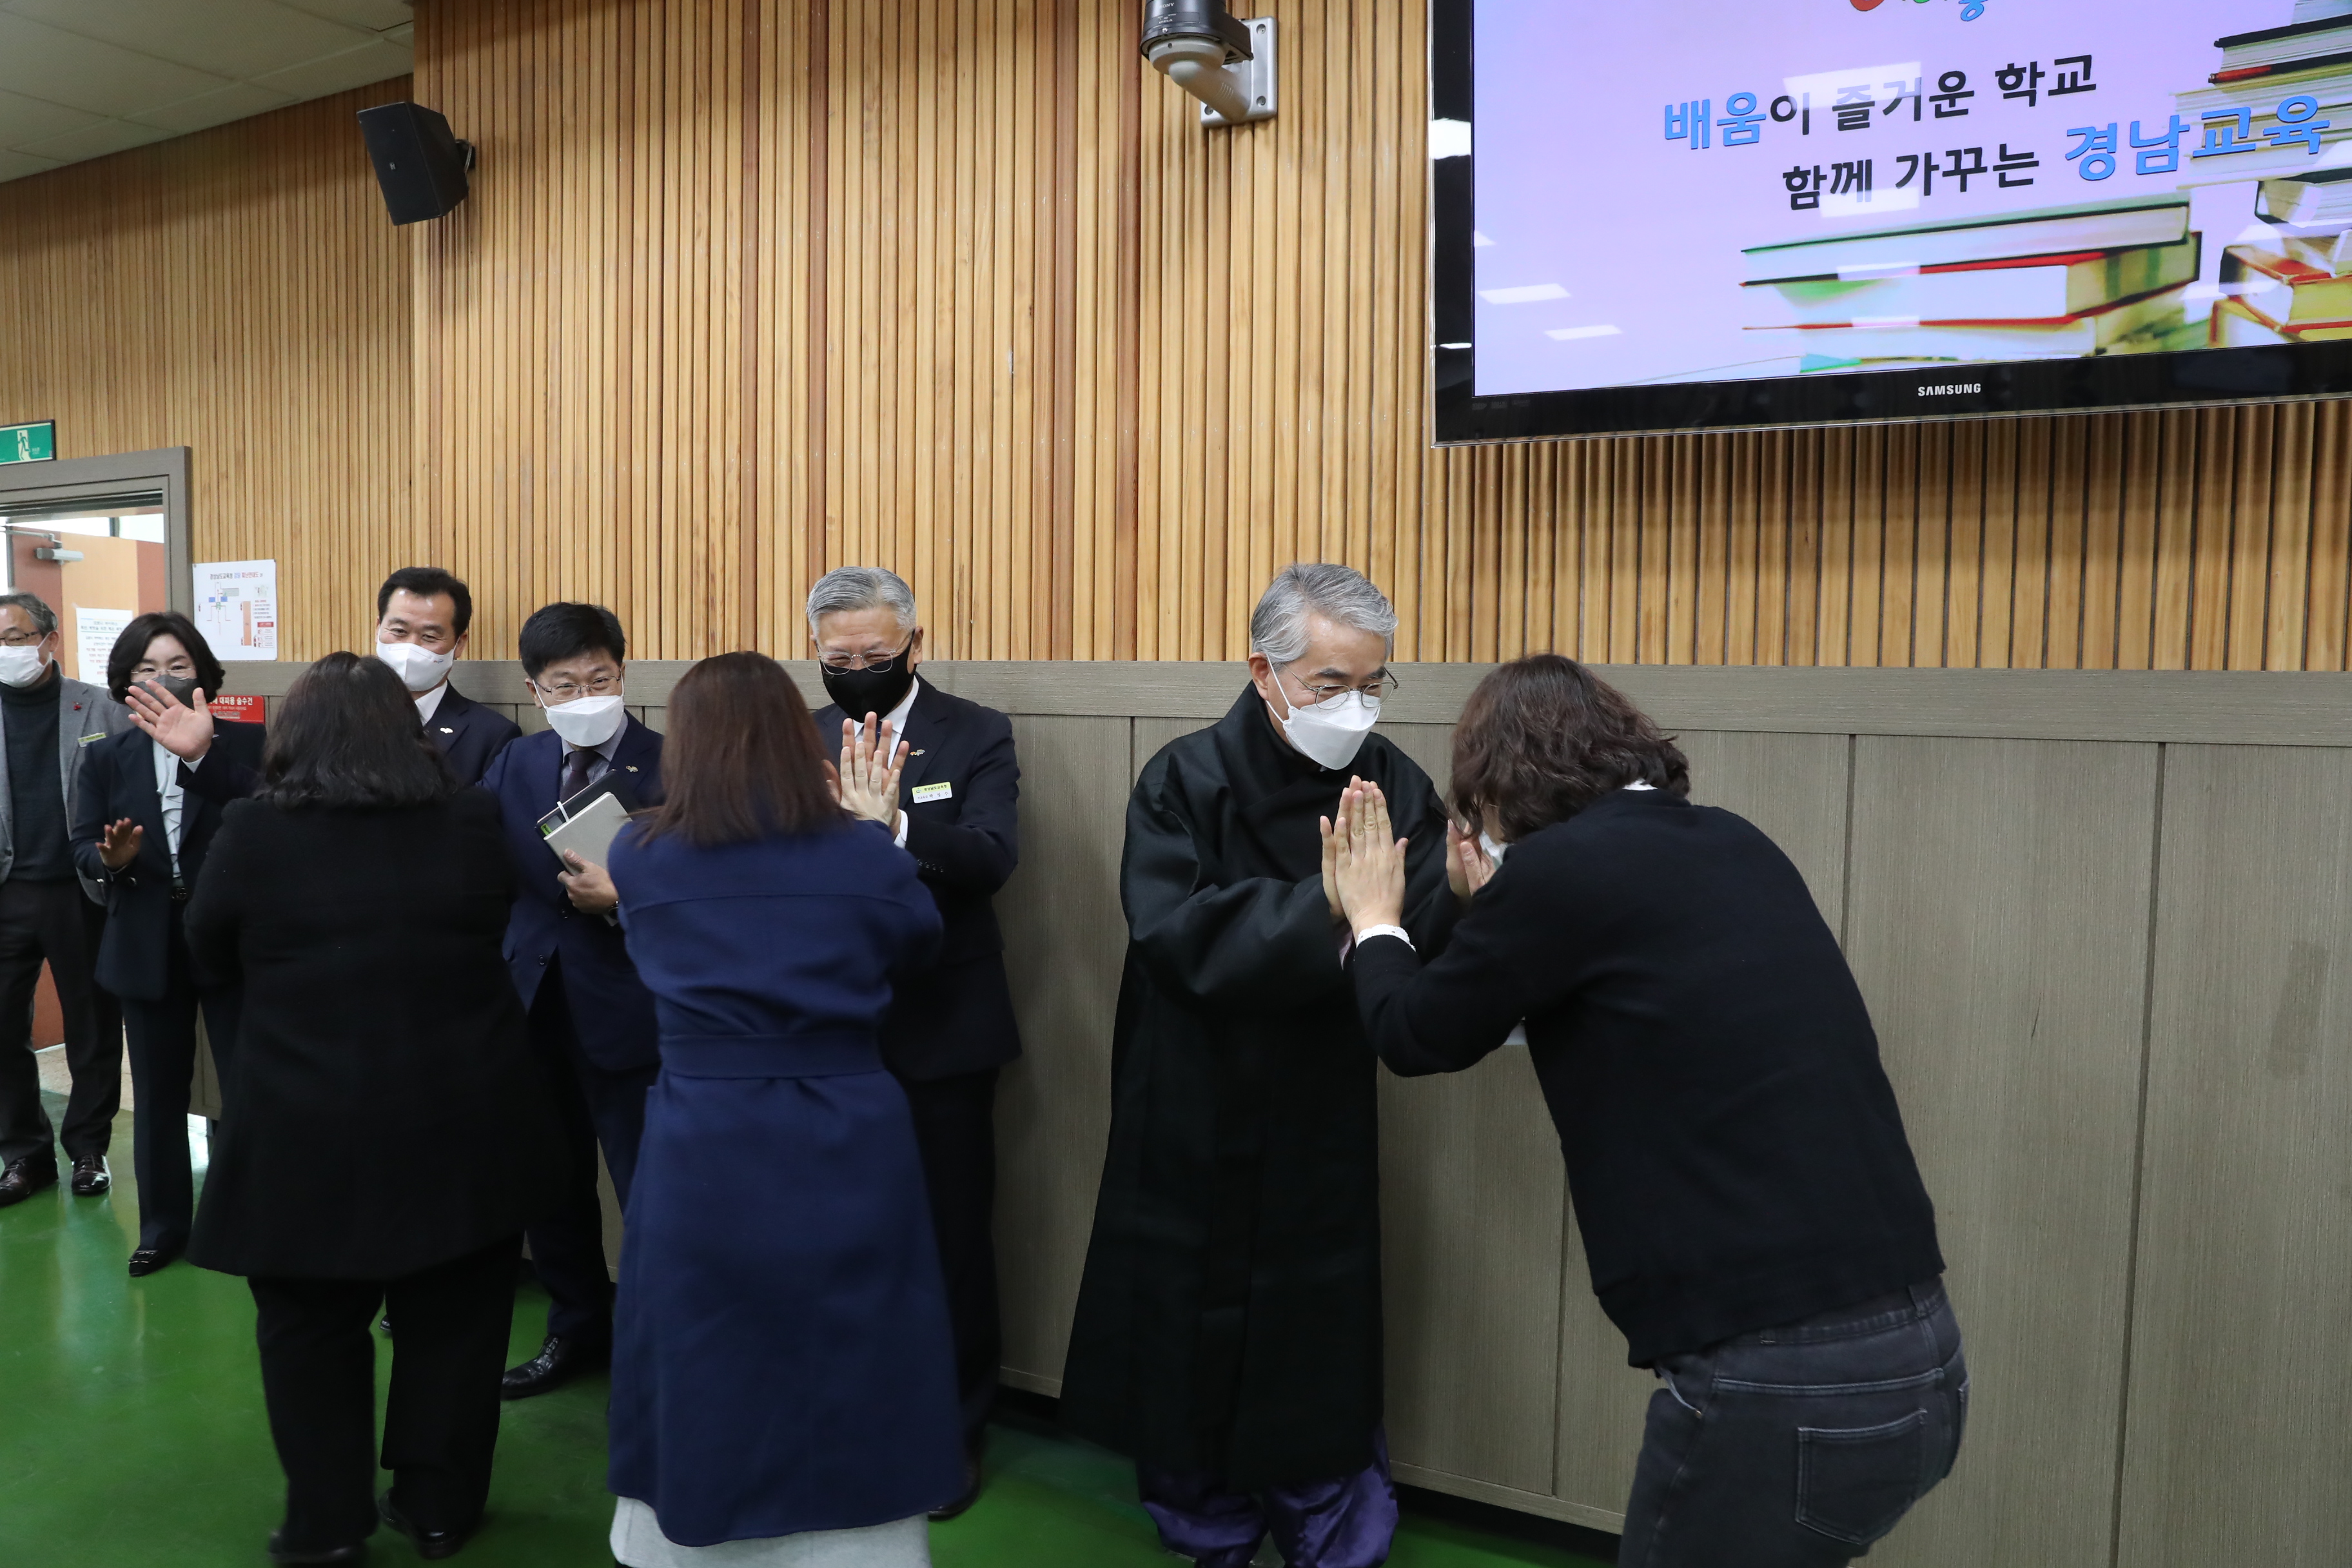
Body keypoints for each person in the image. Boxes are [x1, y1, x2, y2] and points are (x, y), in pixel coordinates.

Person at [1326, 654, 1961, 1568]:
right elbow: (1595, 1002)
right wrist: (1487, 913)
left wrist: (1371, 916)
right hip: (1922, 1361)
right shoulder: (1734, 841)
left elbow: (1415, 1033)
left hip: (1779, 1387)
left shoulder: (1563, 877)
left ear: (1497, 791)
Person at [1059, 564, 1458, 1568]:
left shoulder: (1396, 782)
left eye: (1374, 685)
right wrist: (1326, 903)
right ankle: (1204, 1519)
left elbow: (1421, 919)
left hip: (1320, 1099)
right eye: (1331, 685)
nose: (1355, 708)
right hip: (1190, 1096)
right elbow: (1171, 930)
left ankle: (1329, 1518)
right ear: (1264, 670)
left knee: (1311, 1325)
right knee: (1185, 1312)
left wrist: (1459, 885)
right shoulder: (1185, 777)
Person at [183, 651, 560, 1567]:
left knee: (311, 1334)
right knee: (457, 1332)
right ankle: (438, 1509)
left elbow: (208, 954)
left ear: (293, 736)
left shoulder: (252, 831)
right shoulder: (471, 820)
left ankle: (326, 1525)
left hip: (306, 1128)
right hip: (461, 1119)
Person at [603, 651, 959, 1568]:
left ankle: (697, 1524)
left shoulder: (638, 854)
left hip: (701, 1137)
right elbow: (919, 944)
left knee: (703, 1339)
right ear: (804, 741)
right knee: (861, 1337)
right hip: (850, 1126)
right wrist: (877, 834)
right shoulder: (861, 859)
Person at [808, 565, 1021, 1515]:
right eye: (838, 658)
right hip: (822, 1026)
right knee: (839, 1234)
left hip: (943, 1028)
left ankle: (954, 1427)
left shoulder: (973, 732)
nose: (857, 670)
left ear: (914, 645)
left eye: (876, 656)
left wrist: (888, 825)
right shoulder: (800, 737)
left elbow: (989, 859)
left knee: (948, 1241)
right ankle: (853, 1410)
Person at [479, 602, 663, 1398]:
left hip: (632, 1007)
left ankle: (657, 1350)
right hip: (533, 1000)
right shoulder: (516, 764)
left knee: (647, 1188)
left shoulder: (674, 761)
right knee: (551, 1184)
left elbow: (707, 888)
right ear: (535, 689)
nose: (586, 693)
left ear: (624, 673)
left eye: (601, 677)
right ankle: (573, 1326)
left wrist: (624, 900)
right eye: (566, 683)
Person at [67, 612, 265, 1276]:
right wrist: (112, 862)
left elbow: (270, 816)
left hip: (233, 940)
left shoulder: (247, 741)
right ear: (124, 682)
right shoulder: (101, 755)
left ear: (203, 673)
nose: (163, 679)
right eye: (147, 669)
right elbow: (82, 850)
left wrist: (202, 756)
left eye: (177, 665)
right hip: (144, 940)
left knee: (249, 1086)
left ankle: (248, 1220)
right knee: (155, 1096)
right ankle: (162, 1228)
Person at [0, 593, 132, 1207]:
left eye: (15, 637)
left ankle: (87, 1148)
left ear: (49, 641)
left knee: (92, 1026)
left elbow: (128, 784)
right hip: (7, 893)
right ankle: (24, 1154)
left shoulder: (97, 705)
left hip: (80, 889)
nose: (7, 650)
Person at [374, 567, 519, 787]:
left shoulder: (491, 735)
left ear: (459, 643)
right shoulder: (336, 717)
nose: (411, 647)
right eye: (399, 631)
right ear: (378, 628)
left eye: (429, 636)